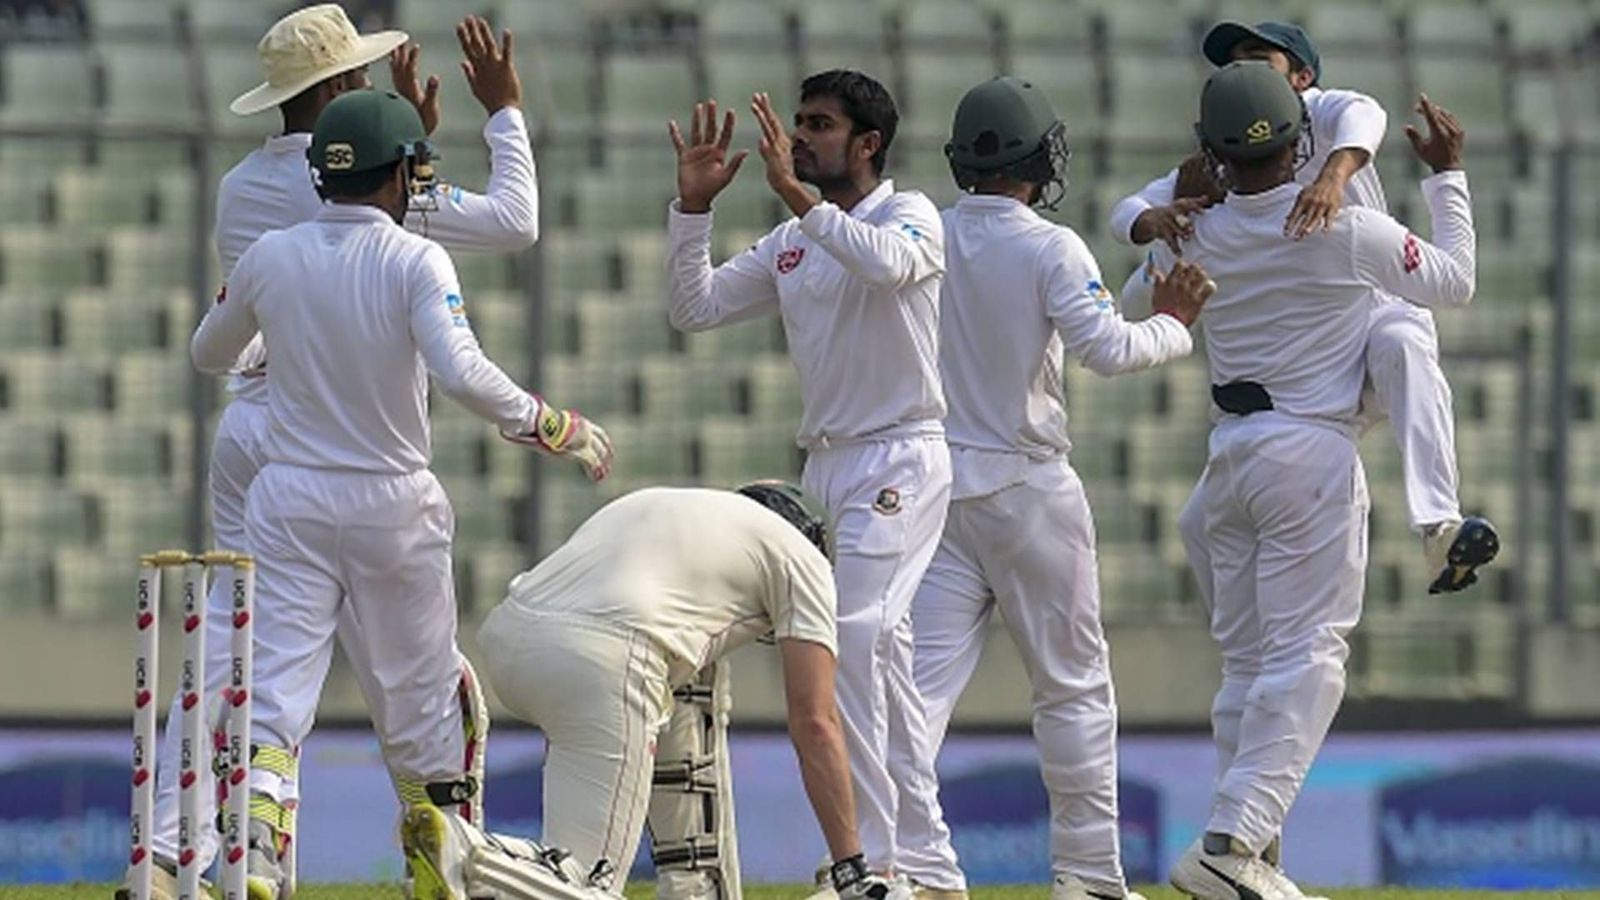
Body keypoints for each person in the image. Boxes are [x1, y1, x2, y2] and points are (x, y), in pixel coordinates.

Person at [125, 8, 550, 900]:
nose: (370, 84)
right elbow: (514, 221)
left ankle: (175, 851)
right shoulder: (381, 196)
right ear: (340, 91)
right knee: (411, 675)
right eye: (361, 79)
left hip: (257, 437)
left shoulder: (242, 184)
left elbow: (229, 332)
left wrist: (401, 150)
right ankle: (444, 841)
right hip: (349, 444)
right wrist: (499, 115)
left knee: (235, 650)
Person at [188, 90, 611, 899]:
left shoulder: (269, 256)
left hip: (290, 498)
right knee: (418, 696)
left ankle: (258, 845)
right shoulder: (416, 258)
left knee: (275, 684)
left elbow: (211, 355)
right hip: (393, 502)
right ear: (400, 172)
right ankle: (436, 849)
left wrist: (264, 324)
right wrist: (549, 423)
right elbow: (461, 372)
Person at [1122, 62, 1479, 900]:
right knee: (1311, 657)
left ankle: (1249, 861)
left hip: (1228, 464)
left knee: (1248, 670)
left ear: (1212, 151)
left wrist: (1168, 220)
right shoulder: (1346, 228)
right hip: (1309, 458)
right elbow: (1456, 284)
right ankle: (1231, 841)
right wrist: (1447, 178)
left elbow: (1135, 303)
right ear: (1298, 144)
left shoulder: (1192, 233)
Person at [663, 71, 966, 897]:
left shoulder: (911, 216)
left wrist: (799, 199)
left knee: (853, 639)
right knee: (884, 660)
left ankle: (879, 866)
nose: (800, 136)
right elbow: (695, 308)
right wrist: (693, 210)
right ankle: (932, 867)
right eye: (799, 122)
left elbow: (887, 269)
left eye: (820, 124)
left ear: (868, 144)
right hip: (826, 466)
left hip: (901, 455)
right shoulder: (793, 241)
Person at [911, 76, 1215, 900]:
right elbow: (1109, 351)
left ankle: (902, 867)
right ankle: (1086, 878)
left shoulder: (925, 233)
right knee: (1073, 689)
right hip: (1029, 489)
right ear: (1035, 161)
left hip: (940, 494)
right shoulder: (1050, 246)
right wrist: (1173, 325)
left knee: (913, 698)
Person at [1108, 20, 1498, 596]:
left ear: (1303, 77)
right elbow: (1127, 217)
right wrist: (1156, 222)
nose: (1242, 68)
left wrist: (1336, 177)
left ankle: (1438, 524)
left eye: (1258, 57)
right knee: (1199, 528)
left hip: (1369, 309)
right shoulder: (1217, 162)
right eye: (1233, 61)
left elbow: (1366, 113)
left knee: (1402, 341)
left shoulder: (1326, 114)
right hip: (1310, 367)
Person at [399, 483, 909, 900]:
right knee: (593, 889)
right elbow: (815, 722)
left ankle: (683, 887)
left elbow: (691, 703)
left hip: (509, 637)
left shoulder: (672, 511)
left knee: (566, 868)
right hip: (604, 657)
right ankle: (469, 854)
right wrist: (852, 867)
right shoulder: (803, 558)